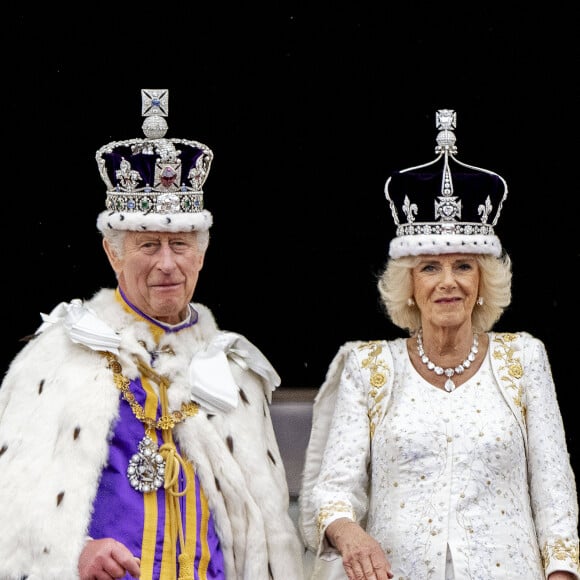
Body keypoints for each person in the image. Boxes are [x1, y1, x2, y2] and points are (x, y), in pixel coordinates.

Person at [0, 89, 304, 580]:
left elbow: (266, 538)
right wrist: (71, 550)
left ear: (201, 254)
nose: (167, 263)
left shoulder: (234, 374)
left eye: (180, 244)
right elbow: (9, 502)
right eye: (148, 245)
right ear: (113, 252)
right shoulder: (58, 356)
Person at [298, 109, 579, 580]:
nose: (448, 283)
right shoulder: (369, 366)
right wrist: (352, 535)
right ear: (407, 283)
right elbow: (333, 492)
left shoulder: (524, 358)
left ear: (483, 279)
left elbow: (554, 492)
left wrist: (562, 573)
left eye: (464, 266)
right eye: (430, 267)